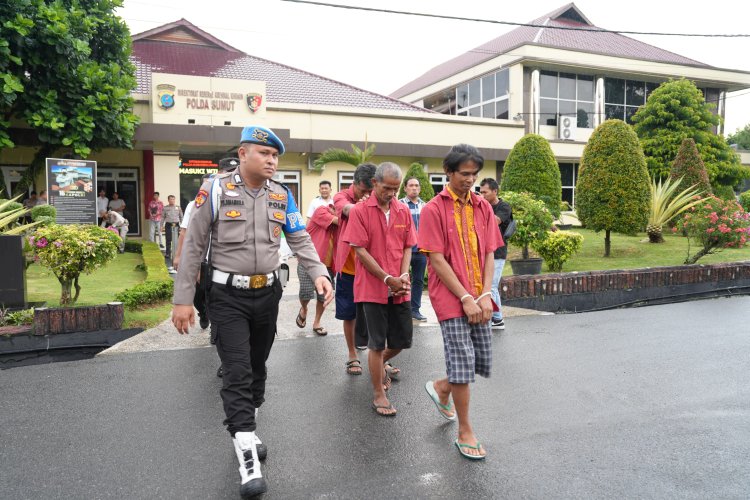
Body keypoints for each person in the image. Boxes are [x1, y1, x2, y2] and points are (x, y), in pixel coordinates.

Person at [172, 125, 332, 499]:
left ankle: (247, 427)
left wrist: (319, 272)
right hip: (226, 296)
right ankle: (246, 452)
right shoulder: (213, 190)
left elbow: (299, 237)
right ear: (243, 154)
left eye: (276, 155)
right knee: (237, 370)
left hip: (267, 294)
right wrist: (182, 300)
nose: (272, 161)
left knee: (258, 368)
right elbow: (193, 246)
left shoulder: (282, 194)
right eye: (265, 154)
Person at [418, 144, 503, 461]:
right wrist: (465, 297)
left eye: (474, 175)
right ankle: (465, 430)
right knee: (464, 364)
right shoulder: (433, 210)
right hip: (450, 297)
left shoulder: (483, 208)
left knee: (478, 360)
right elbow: (436, 260)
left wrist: (483, 295)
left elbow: (490, 253)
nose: (470, 180)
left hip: (479, 296)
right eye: (464, 174)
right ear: (449, 172)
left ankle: (442, 386)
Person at [345, 162, 415, 416]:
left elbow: (408, 245)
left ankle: (379, 365)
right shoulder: (361, 211)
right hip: (372, 288)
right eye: (387, 188)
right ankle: (378, 394)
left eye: (396, 189)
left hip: (399, 287)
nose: (392, 193)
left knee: (401, 342)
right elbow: (360, 250)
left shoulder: (402, 210)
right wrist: (387, 279)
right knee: (376, 343)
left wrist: (403, 275)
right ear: (374, 183)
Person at [333, 163, 376, 376]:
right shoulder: (342, 196)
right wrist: (363, 206)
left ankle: (380, 358)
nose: (368, 194)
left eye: (372, 191)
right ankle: (352, 354)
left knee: (376, 314)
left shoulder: (379, 197)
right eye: (364, 190)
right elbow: (347, 210)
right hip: (349, 269)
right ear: (355, 183)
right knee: (349, 314)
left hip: (372, 269)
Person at [296, 202, 338, 336]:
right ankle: (304, 309)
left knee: (323, 296)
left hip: (329, 265)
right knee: (306, 291)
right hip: (308, 261)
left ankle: (317, 322)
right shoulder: (321, 211)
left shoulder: (339, 223)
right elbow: (340, 221)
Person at [479, 178, 512, 330]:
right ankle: (497, 318)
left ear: (495, 191)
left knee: (491, 286)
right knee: (487, 286)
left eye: (485, 192)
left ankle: (497, 319)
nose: (482, 195)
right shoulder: (481, 206)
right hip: (483, 251)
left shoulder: (503, 206)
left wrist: (481, 207)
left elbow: (495, 221)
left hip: (498, 252)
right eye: (480, 192)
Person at [399, 176, 428, 321]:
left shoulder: (426, 206)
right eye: (411, 185)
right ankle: (400, 310)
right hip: (403, 250)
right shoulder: (399, 205)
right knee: (400, 279)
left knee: (418, 281)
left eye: (417, 185)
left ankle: (415, 309)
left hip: (421, 250)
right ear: (405, 188)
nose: (414, 188)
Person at [162, 195, 183, 260]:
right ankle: (168, 253)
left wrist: (182, 226)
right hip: (168, 224)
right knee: (168, 239)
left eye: (173, 199)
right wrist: (161, 225)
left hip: (176, 224)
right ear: (168, 200)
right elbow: (163, 217)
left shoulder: (178, 207)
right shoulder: (165, 208)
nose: (172, 200)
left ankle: (177, 253)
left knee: (177, 239)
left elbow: (181, 217)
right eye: (171, 199)